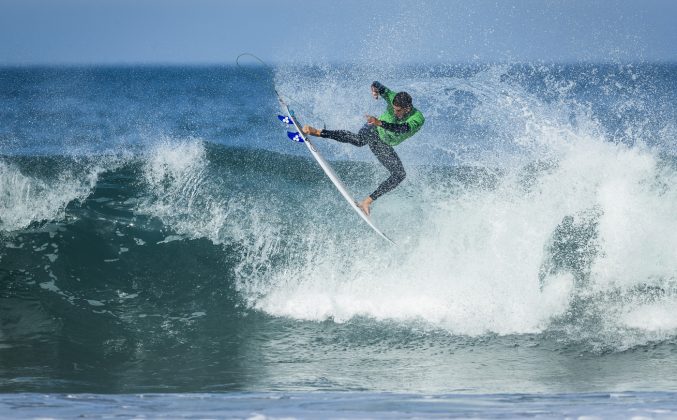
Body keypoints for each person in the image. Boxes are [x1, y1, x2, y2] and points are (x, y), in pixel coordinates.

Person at [302, 81, 425, 216]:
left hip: (383, 143)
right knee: (359, 140)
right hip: (374, 127)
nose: (395, 113)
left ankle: (366, 201)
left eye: (398, 111)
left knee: (399, 174)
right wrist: (374, 91)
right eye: (394, 109)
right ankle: (318, 132)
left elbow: (403, 128)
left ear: (407, 108)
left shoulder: (417, 118)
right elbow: (376, 84)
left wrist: (381, 122)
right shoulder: (392, 96)